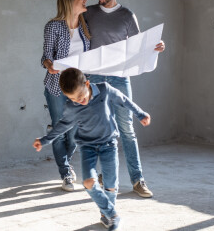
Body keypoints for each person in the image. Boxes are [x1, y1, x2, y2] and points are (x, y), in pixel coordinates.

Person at [33, 68, 151, 230]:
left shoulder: (104, 89)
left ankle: (106, 215)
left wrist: (140, 114)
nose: (79, 101)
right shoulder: (72, 105)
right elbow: (63, 126)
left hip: (109, 144)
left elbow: (123, 99)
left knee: (110, 185)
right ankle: (112, 214)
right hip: (87, 146)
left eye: (81, 97)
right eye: (73, 99)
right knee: (88, 182)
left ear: (87, 84)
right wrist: (44, 140)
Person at [83, 0, 165, 198]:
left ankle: (138, 180)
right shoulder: (88, 13)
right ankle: (102, 174)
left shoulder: (127, 15)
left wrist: (156, 47)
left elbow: (140, 45)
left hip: (119, 77)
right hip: (94, 78)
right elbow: (72, 33)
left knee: (126, 128)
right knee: (99, 129)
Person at [41, 0, 91, 191]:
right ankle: (66, 172)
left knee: (74, 132)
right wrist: (49, 65)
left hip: (78, 87)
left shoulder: (85, 27)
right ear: (70, 1)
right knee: (59, 129)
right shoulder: (53, 26)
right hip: (56, 86)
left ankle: (66, 163)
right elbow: (45, 56)